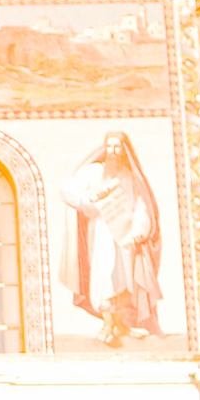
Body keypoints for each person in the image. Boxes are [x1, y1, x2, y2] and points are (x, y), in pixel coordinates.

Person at [60, 131, 162, 347]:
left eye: (118, 147)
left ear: (125, 150)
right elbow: (67, 190)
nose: (113, 152)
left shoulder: (130, 177)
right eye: (110, 147)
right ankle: (107, 325)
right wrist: (91, 200)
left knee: (125, 280)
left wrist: (137, 232)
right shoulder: (93, 172)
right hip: (101, 233)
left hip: (125, 236)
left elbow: (141, 207)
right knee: (105, 275)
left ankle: (121, 325)